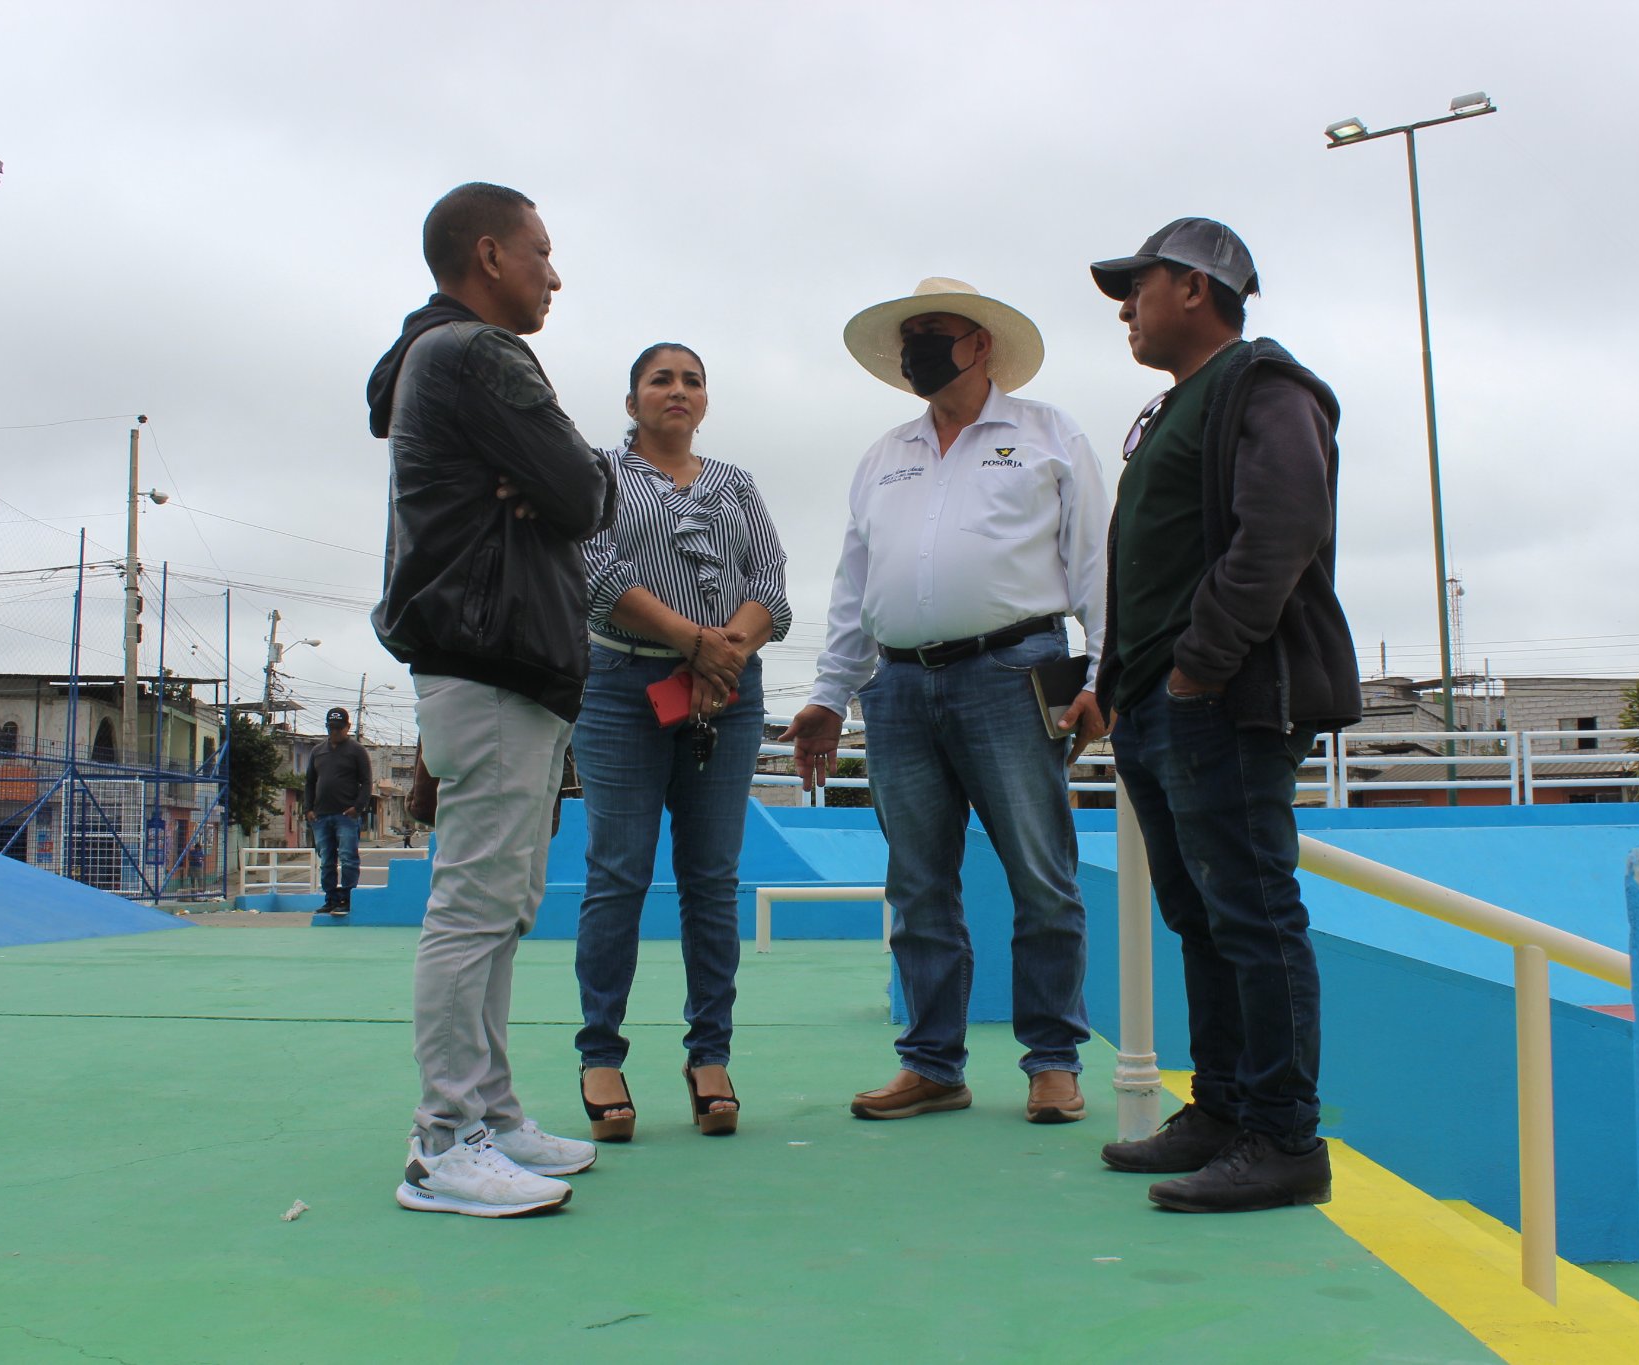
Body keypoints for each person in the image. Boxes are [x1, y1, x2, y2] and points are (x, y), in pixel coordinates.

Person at [783, 278, 1110, 1125]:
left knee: (1042, 874)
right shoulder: (882, 455)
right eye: (909, 335)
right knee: (918, 882)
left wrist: (1104, 678)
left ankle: (1053, 1059)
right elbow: (855, 585)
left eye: (934, 330)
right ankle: (932, 1062)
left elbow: (1097, 566)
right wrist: (830, 692)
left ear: (981, 343)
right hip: (895, 686)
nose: (916, 347)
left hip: (1014, 670)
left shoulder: (1049, 435)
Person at [1085, 218, 1361, 1213]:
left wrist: (1199, 669)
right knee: (1200, 917)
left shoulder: (1265, 385)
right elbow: (1147, 561)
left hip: (1222, 700)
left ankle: (1282, 1139)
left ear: (1196, 288)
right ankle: (1223, 1110)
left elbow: (1281, 530)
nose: (1126, 307)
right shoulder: (1175, 407)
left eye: (1140, 286)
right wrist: (1116, 682)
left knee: (1251, 914)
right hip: (1158, 704)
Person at [366, 182, 615, 1219]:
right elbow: (586, 492)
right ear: (488, 255)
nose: (554, 274)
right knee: (475, 907)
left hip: (506, 662)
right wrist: (562, 478)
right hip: (492, 657)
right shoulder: (477, 353)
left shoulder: (440, 358)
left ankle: (493, 1114)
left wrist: (557, 481)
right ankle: (442, 1142)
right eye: (540, 252)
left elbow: (567, 488)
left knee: (502, 908)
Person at [570, 343, 791, 1142]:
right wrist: (692, 642)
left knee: (711, 879)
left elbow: (769, 585)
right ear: (632, 401)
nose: (678, 390)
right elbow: (595, 572)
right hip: (621, 688)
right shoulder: (598, 474)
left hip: (728, 693)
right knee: (618, 872)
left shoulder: (736, 483)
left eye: (692, 380)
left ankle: (710, 1055)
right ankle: (600, 1053)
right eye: (660, 379)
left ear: (705, 401)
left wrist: (721, 656)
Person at [303, 705, 372, 915]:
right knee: (327, 860)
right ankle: (331, 899)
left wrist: (357, 807)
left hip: (346, 816)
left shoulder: (357, 751)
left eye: (338, 728)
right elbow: (309, 782)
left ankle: (347, 899)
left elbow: (366, 782)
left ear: (347, 727)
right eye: (331, 727)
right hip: (321, 816)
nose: (334, 732)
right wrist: (308, 809)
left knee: (348, 858)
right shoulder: (317, 751)